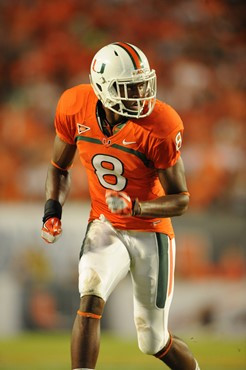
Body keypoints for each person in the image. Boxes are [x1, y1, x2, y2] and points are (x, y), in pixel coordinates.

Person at [41, 41, 200, 370]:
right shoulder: (74, 107)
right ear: (103, 88)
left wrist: (138, 208)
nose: (141, 94)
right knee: (90, 297)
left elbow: (181, 199)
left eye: (143, 84)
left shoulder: (161, 125)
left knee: (153, 340)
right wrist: (51, 211)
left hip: (150, 232)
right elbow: (59, 168)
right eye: (131, 87)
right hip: (106, 224)